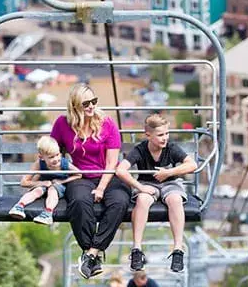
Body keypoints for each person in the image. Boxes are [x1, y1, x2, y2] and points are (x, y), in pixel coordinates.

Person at [51, 83, 130, 279]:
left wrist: (102, 188)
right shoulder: (63, 124)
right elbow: (51, 151)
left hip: (109, 175)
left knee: (120, 202)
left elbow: (112, 162)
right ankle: (90, 254)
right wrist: (47, 174)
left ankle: (91, 253)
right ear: (75, 105)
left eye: (94, 101)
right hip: (81, 175)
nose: (91, 106)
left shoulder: (107, 123)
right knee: (78, 202)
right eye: (86, 103)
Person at [116, 114, 197, 273]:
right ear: (148, 135)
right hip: (147, 184)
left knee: (175, 199)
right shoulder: (140, 149)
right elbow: (120, 170)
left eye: (166, 134)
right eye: (160, 135)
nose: (165, 138)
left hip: (170, 183)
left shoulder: (171, 148)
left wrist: (169, 172)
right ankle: (137, 249)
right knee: (143, 200)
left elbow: (192, 164)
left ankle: (177, 250)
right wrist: (139, 186)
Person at [9, 136, 82, 225]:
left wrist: (61, 181)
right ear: (42, 157)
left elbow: (79, 174)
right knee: (37, 190)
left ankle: (48, 213)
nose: (56, 159)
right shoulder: (39, 164)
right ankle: (19, 206)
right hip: (44, 184)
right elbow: (23, 182)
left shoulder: (64, 163)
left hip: (58, 186)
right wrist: (41, 183)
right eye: (51, 157)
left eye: (57, 154)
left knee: (52, 190)